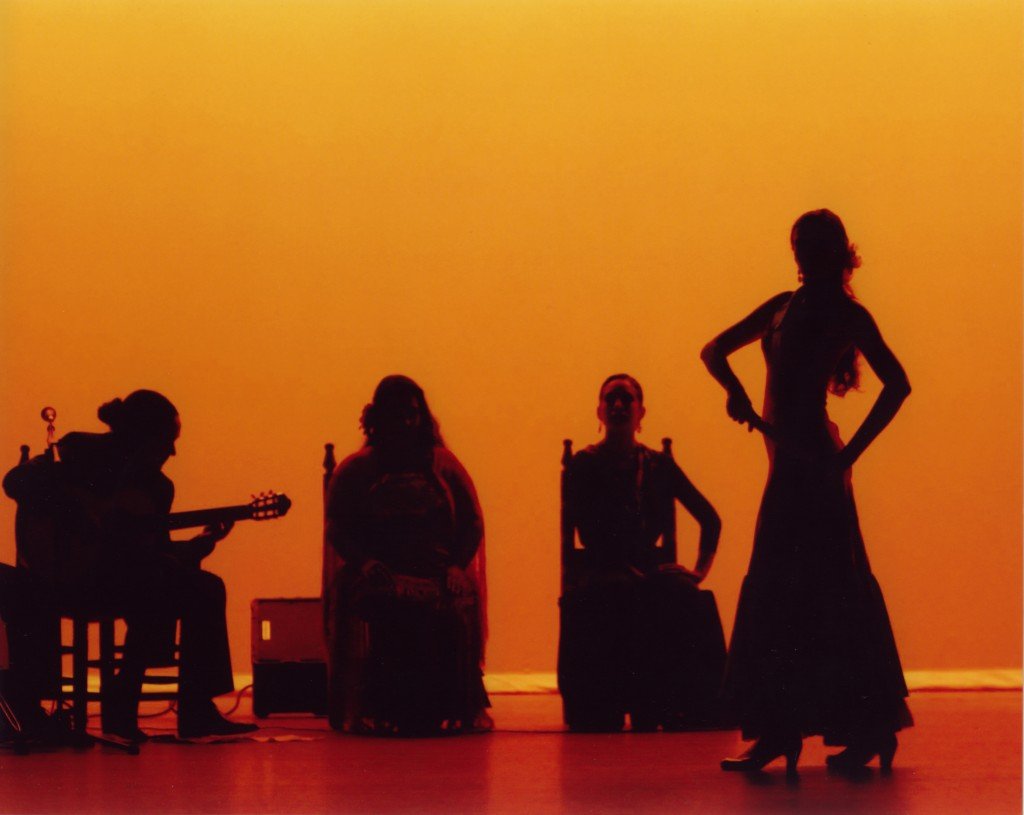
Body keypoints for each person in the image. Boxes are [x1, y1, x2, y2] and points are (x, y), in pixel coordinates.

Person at [702, 210, 913, 775]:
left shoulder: (847, 313)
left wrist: (847, 456)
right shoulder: (780, 307)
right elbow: (714, 350)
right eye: (800, 245)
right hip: (789, 465)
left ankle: (861, 728)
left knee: (826, 591)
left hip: (814, 469)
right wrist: (736, 393)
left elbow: (899, 384)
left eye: (817, 247)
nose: (805, 256)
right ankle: (780, 729)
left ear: (838, 253)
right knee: (782, 593)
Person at [3, 390, 257, 742]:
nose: (172, 451)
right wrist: (79, 513)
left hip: (116, 581)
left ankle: (130, 702)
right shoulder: (82, 454)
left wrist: (200, 545)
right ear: (144, 439)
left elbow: (153, 550)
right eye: (168, 441)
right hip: (64, 578)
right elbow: (16, 481)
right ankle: (183, 709)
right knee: (195, 587)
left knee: (166, 581)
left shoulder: (156, 487)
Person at [323, 375, 490, 736]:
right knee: (392, 609)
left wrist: (457, 568)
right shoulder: (357, 470)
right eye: (396, 414)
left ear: (423, 417)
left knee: (446, 607)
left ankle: (444, 708)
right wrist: (366, 564)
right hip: (379, 574)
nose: (406, 422)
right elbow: (337, 528)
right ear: (377, 418)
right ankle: (387, 709)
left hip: (439, 573)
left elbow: (473, 523)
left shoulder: (444, 466)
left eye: (412, 414)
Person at [559, 374, 724, 732]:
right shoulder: (584, 465)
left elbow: (710, 518)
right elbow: (585, 529)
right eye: (611, 399)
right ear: (599, 411)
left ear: (640, 411)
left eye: (626, 399)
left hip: (650, 569)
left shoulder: (658, 465)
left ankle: (684, 707)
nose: (618, 405)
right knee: (614, 594)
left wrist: (697, 572)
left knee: (691, 599)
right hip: (602, 567)